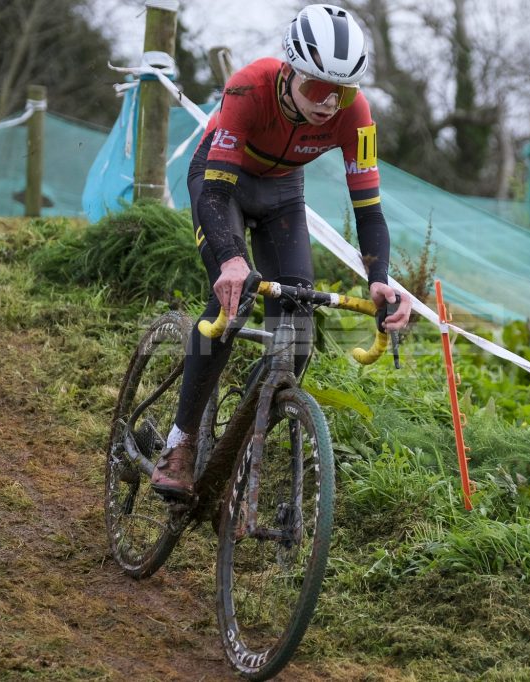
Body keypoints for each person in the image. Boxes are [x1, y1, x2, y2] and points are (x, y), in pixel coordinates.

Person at [150, 3, 412, 498]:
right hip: (221, 182)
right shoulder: (248, 87)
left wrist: (380, 279)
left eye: (342, 91)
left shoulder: (357, 117)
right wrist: (232, 260)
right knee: (233, 300)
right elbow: (215, 193)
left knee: (297, 330)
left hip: (283, 195)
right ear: (289, 71)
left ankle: (239, 437)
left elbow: (369, 211)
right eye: (317, 88)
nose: (329, 103)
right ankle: (181, 441)